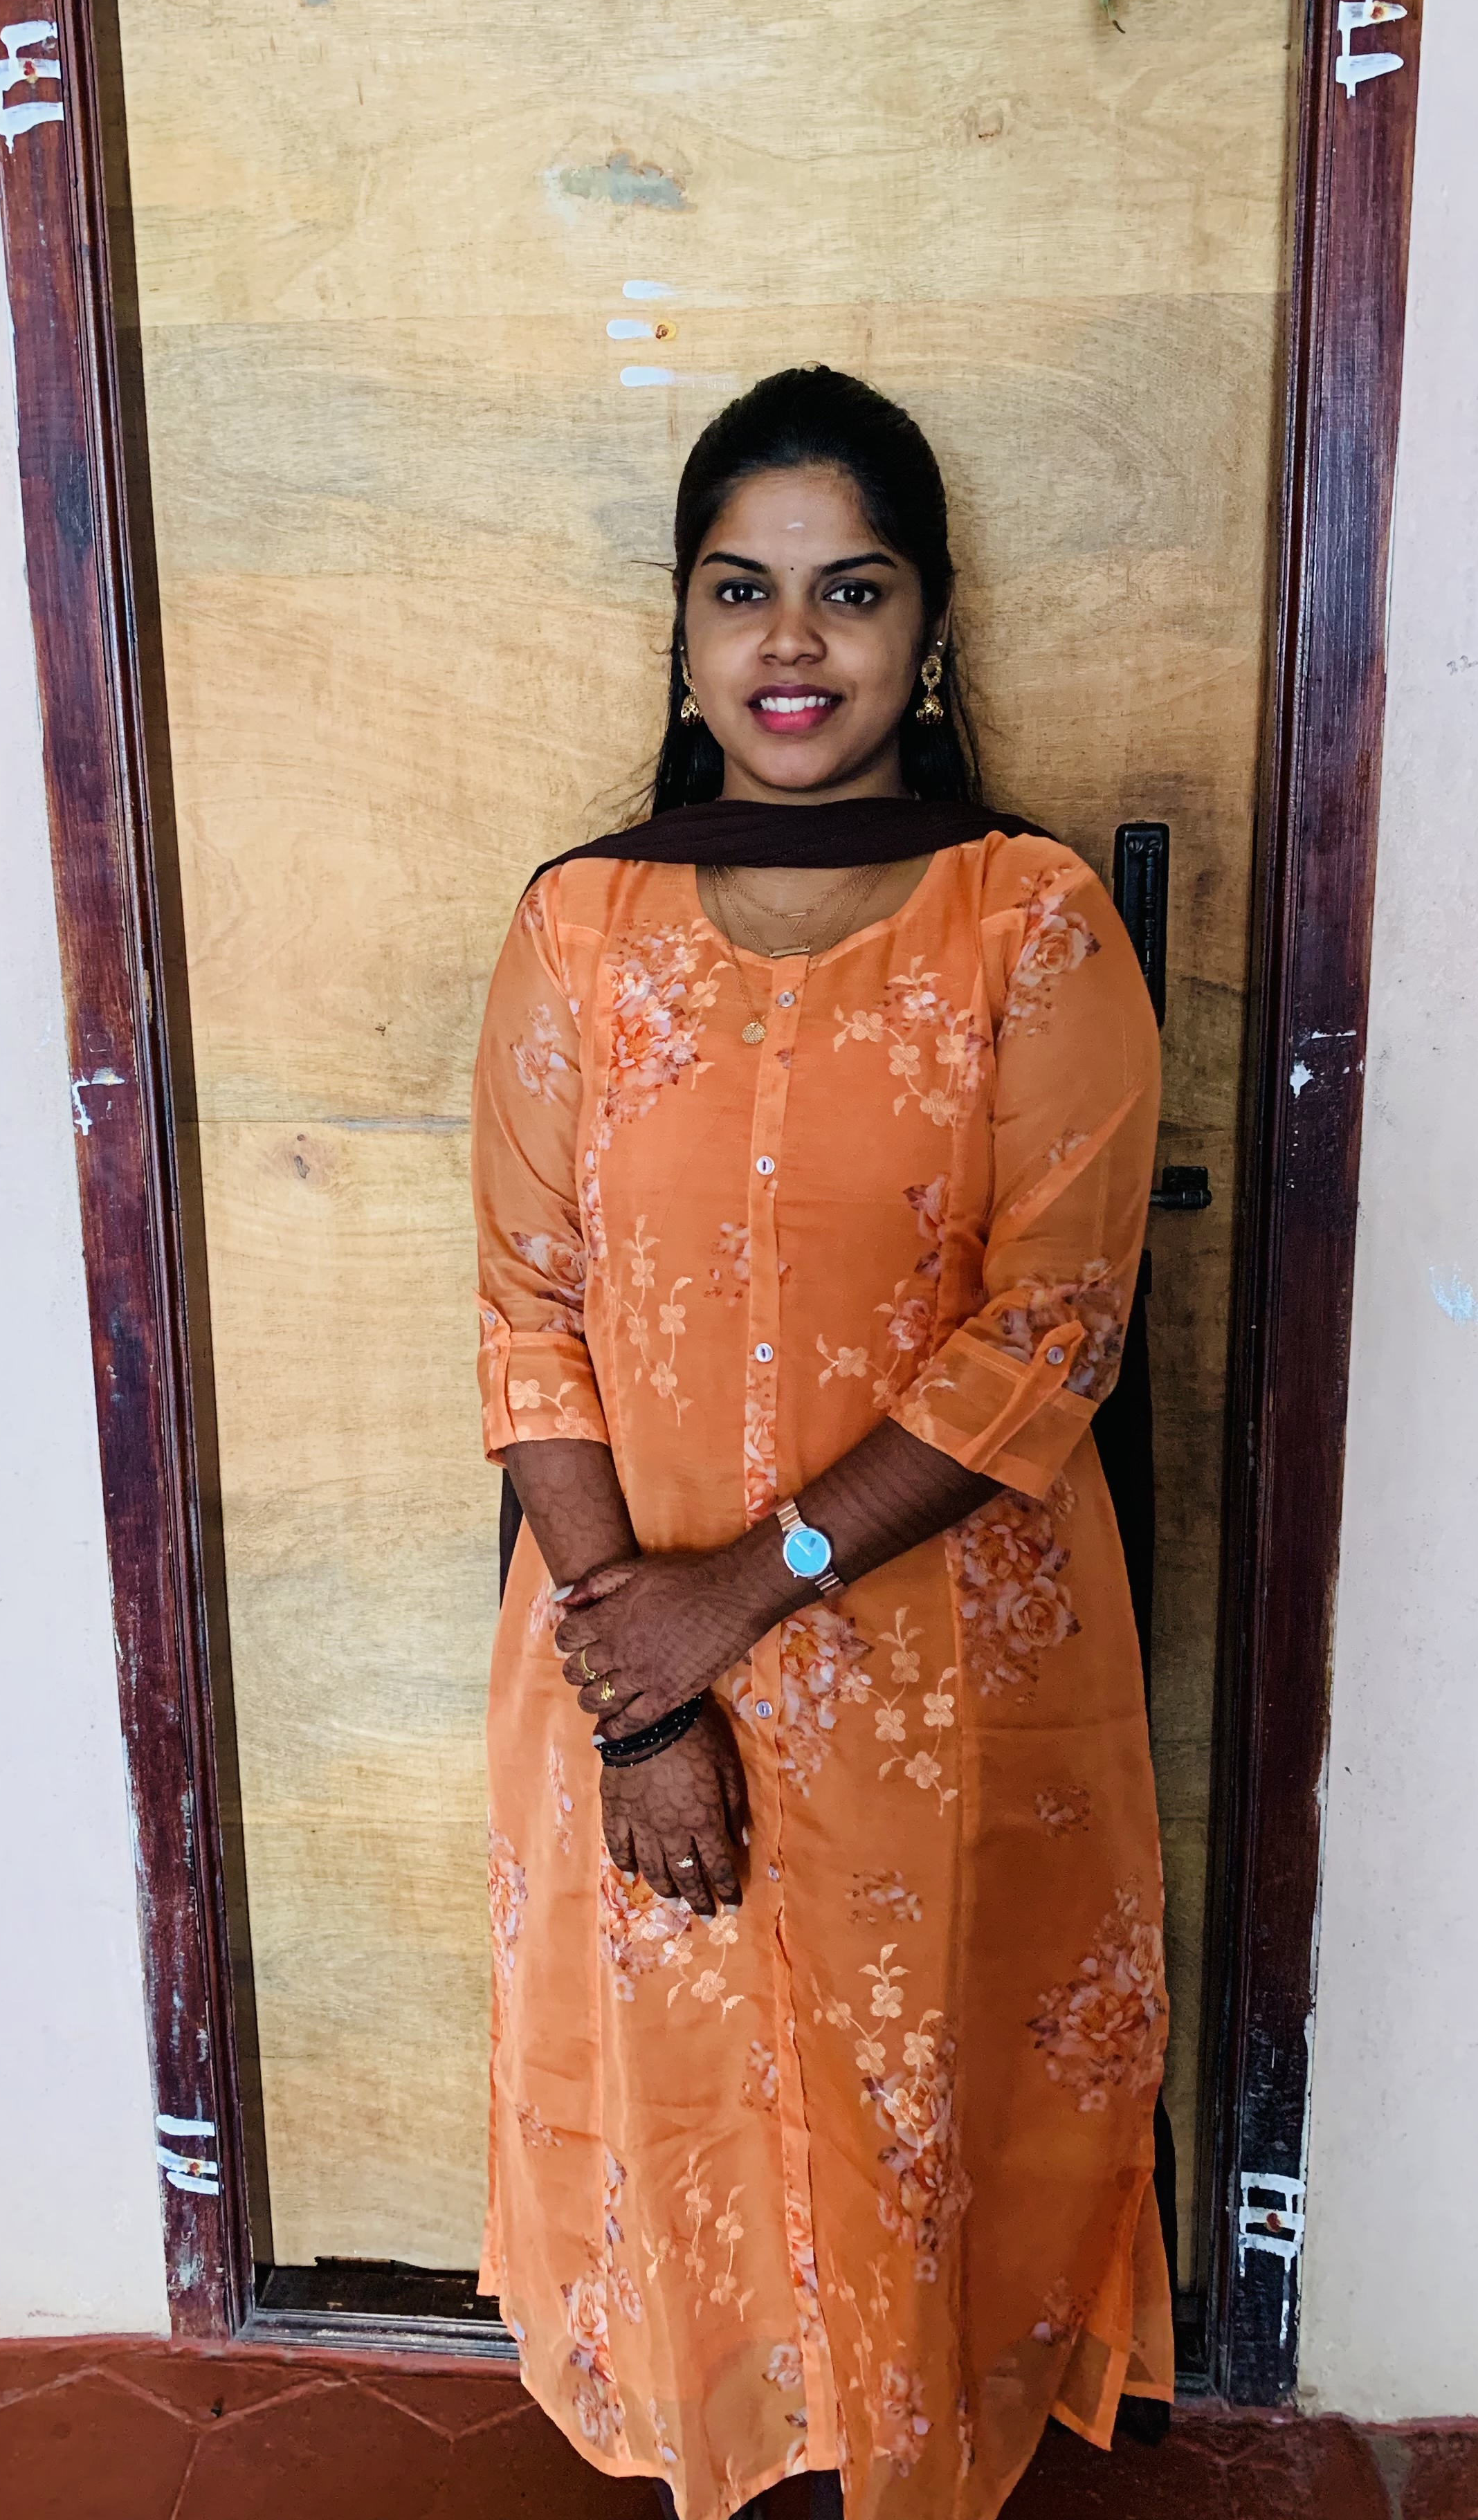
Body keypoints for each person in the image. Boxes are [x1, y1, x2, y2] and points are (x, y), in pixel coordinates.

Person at [472, 367, 1170, 2520]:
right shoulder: (579, 925)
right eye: (742, 590)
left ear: (930, 631)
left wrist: (740, 1593)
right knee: (686, 2090)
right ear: (682, 630)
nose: (793, 643)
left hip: (942, 1678)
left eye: (851, 590)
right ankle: (731, 2438)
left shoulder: (1027, 918)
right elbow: (528, 1317)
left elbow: (1051, 1331)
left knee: (916, 2101)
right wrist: (640, 1687)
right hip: (630, 1661)